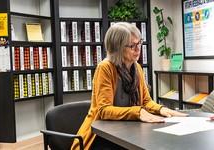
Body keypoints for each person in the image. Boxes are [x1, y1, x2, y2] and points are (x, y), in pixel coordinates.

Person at [73, 22, 187, 150]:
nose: (138, 49)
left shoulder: (136, 67)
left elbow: (146, 101)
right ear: (117, 48)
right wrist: (137, 112)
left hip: (127, 131)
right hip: (101, 136)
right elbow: (104, 110)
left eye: (139, 43)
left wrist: (161, 109)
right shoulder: (105, 68)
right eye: (132, 46)